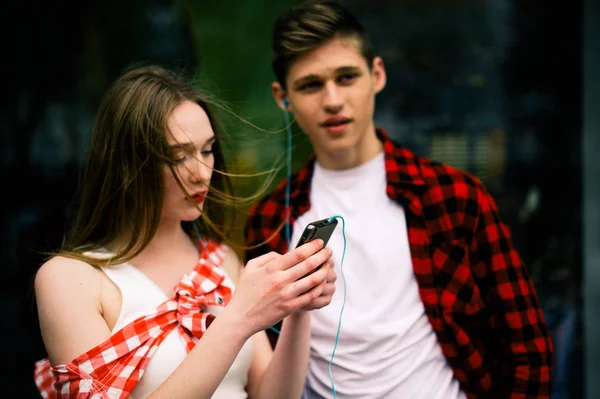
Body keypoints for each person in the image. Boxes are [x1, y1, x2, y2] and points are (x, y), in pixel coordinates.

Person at [244, 1, 554, 398]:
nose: (333, 99)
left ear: (376, 74)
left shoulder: (455, 199)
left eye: (346, 77)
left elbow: (528, 347)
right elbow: (263, 368)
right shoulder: (270, 220)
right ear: (281, 96)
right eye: (310, 85)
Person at [33, 65, 337, 399]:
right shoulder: (68, 278)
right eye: (178, 156)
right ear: (128, 165)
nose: (202, 172)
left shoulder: (220, 261)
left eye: (207, 149)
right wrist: (239, 318)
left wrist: (298, 308)